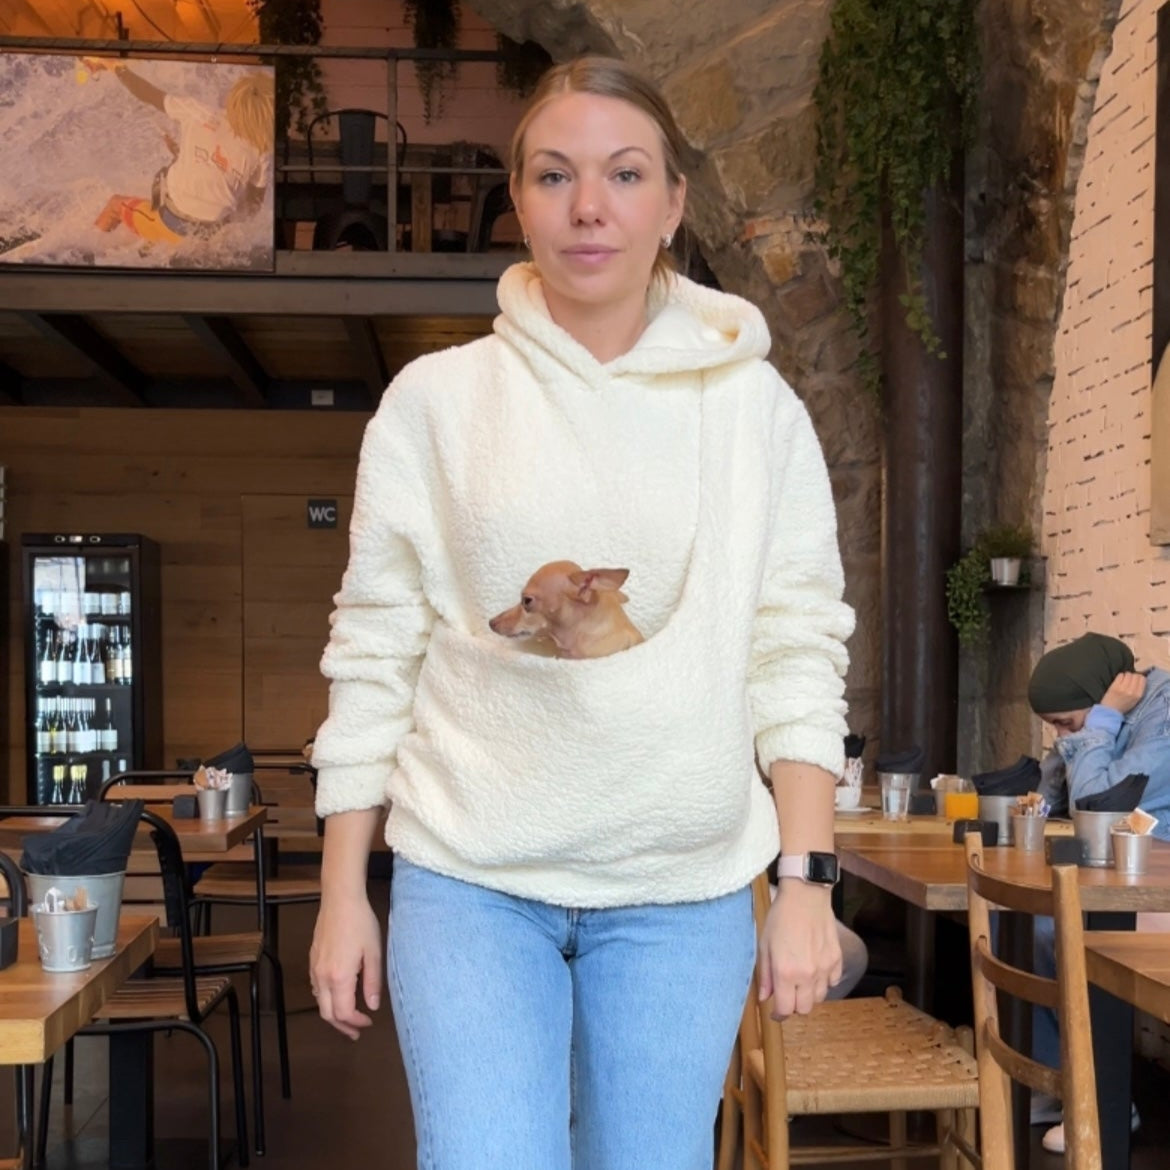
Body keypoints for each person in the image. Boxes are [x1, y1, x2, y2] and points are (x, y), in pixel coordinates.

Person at [308, 56, 854, 1170]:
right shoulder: (435, 404)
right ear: (519, 202)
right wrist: (339, 893)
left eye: (625, 173)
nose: (589, 206)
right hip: (470, 880)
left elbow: (796, 648)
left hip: (682, 887)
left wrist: (804, 881)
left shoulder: (754, 409)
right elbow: (373, 652)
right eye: (555, 176)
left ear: (672, 205)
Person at [1027, 631, 1170, 1153]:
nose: (1065, 736)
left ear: (1103, 694)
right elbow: (1052, 802)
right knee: (1014, 917)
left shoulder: (1162, 716)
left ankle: (1102, 1102)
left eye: (1067, 724)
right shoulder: (1110, 712)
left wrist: (1102, 722)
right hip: (1125, 879)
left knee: (1060, 928)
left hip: (1156, 892)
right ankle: (1053, 1082)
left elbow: (1095, 803)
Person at [80, 58, 273, 244]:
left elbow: (146, 93)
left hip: (170, 226)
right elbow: (251, 208)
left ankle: (82, 255)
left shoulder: (198, 112)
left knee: (115, 204)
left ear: (235, 99)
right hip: (212, 234)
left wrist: (114, 66)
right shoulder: (261, 149)